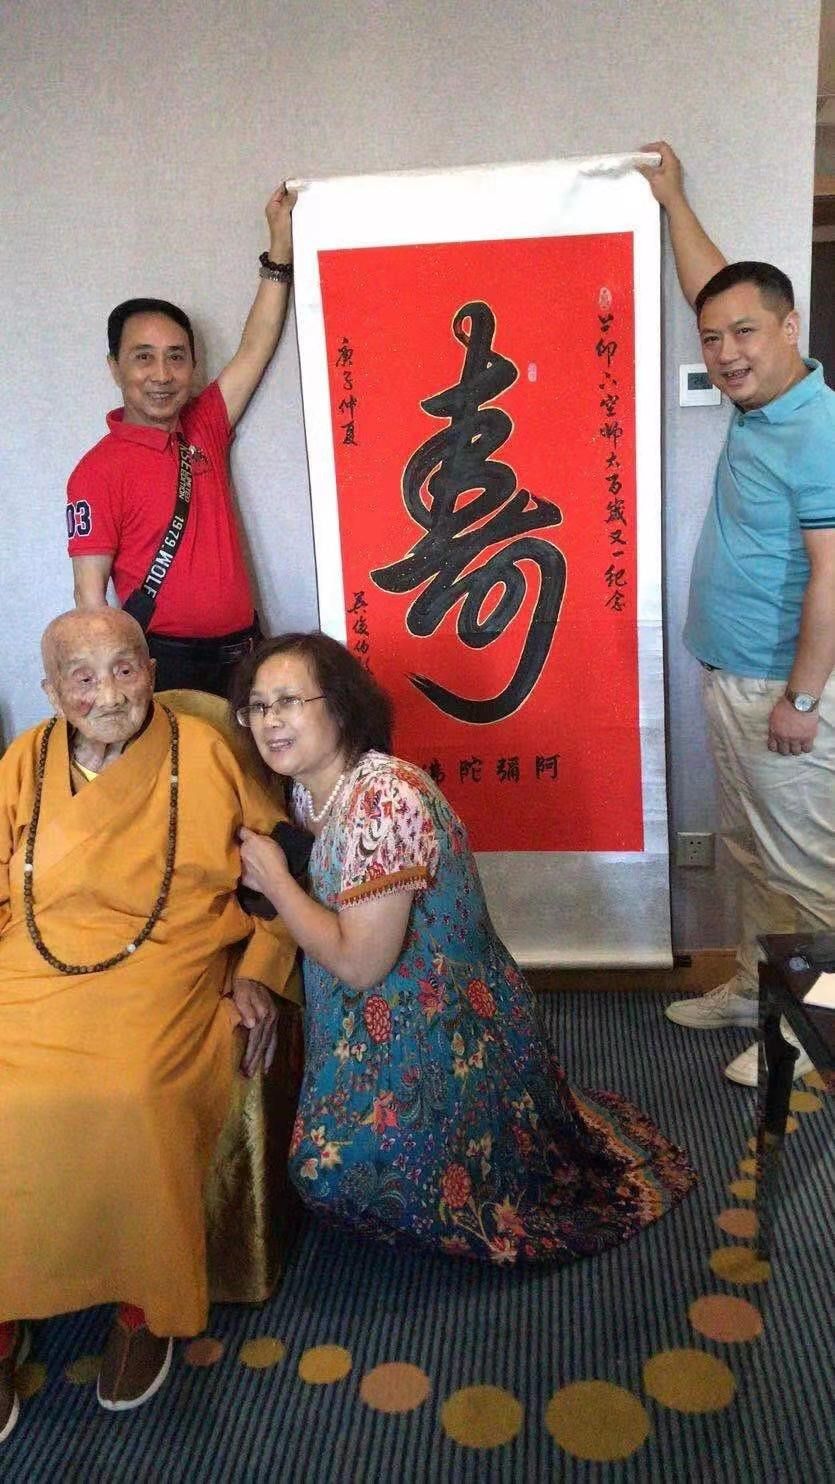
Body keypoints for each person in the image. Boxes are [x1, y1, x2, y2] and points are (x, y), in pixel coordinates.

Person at [231, 632, 695, 1263]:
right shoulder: (308, 791)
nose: (270, 721)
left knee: (329, 1176)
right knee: (323, 1170)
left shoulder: (382, 800)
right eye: (258, 707)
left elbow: (362, 965)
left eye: (289, 701)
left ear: (339, 707)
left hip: (444, 1024)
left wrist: (277, 883)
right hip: (377, 1015)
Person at [0, 609, 299, 1441]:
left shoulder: (206, 751)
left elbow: (280, 874)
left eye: (124, 669)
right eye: (82, 677)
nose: (108, 694)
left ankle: (144, 1305)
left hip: (168, 959)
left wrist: (260, 969)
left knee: (134, 1091)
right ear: (51, 690)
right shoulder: (23, 760)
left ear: (152, 670)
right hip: (31, 960)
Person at [640, 143, 835, 1085]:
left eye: (745, 334)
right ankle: (758, 989)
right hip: (733, 676)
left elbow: (833, 579)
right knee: (751, 856)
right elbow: (710, 289)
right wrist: (673, 198)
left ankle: (806, 1038)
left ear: (790, 327)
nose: (724, 353)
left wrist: (801, 700)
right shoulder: (762, 409)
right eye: (712, 339)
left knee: (808, 874)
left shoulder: (819, 429)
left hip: (781, 687)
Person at [66, 184, 296, 697]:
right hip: (162, 664)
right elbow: (90, 601)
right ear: (114, 368)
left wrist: (279, 248)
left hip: (244, 654)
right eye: (143, 357)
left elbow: (255, 346)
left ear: (192, 366)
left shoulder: (204, 424)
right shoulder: (96, 471)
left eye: (176, 356)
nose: (162, 374)